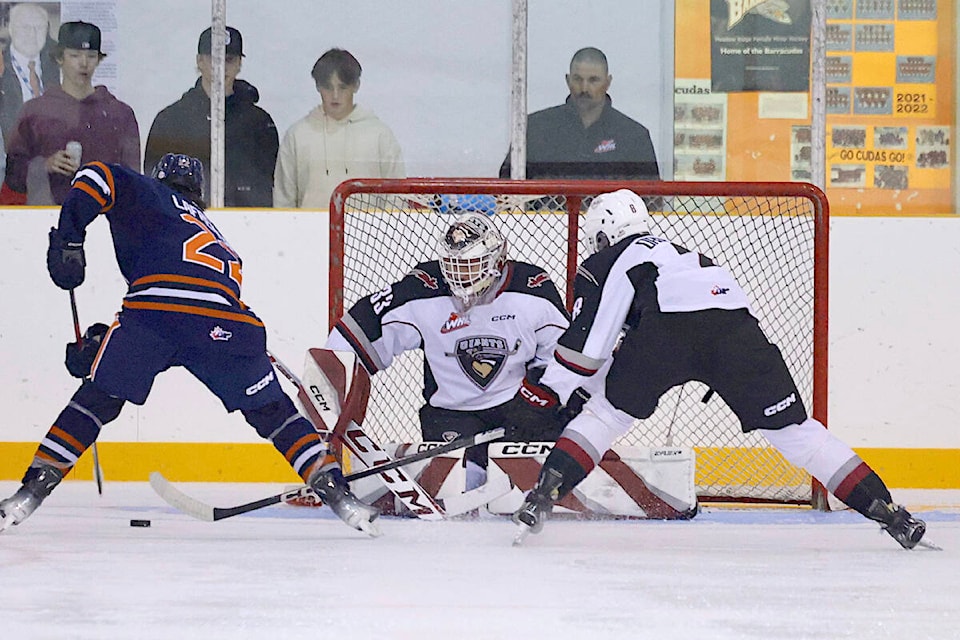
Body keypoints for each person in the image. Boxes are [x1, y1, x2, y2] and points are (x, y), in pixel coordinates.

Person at [511, 189, 928, 550]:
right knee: (797, 433)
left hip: (667, 334)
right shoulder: (691, 257)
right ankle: (891, 514)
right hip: (735, 333)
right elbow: (707, 313)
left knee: (605, 415)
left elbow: (585, 353)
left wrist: (548, 391)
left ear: (603, 234)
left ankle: (542, 497)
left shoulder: (607, 261)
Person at [0, 153, 379, 537]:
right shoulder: (217, 235)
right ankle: (336, 491)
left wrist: (69, 238)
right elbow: (195, 305)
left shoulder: (149, 192)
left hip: (155, 312)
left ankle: (31, 490)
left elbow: (95, 176)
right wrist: (106, 347)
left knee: (96, 401)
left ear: (159, 178)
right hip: (229, 324)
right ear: (199, 194)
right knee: (274, 414)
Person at [325, 211, 570, 490]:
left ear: (497, 260)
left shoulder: (532, 288)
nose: (458, 273)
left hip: (517, 409)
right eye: (452, 263)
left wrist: (536, 399)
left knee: (537, 485)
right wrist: (331, 384)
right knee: (459, 486)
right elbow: (354, 337)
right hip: (450, 413)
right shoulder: (423, 288)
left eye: (469, 264)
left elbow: (561, 356)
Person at [0, 20, 140, 205]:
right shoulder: (35, 112)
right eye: (75, 55)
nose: (83, 63)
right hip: (45, 219)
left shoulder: (120, 114)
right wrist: (44, 165)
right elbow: (13, 176)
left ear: (98, 59)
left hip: (104, 219)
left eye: (91, 56)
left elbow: (134, 179)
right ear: (60, 58)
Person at [144, 26, 278, 208]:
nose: (221, 67)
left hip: (246, 227)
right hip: (187, 225)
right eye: (214, 58)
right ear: (199, 61)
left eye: (229, 59)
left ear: (239, 63)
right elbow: (153, 184)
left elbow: (267, 187)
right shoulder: (170, 120)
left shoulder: (260, 123)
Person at [499, 47, 660, 182]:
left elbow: (651, 200)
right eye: (578, 79)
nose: (584, 88)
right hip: (546, 220)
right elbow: (505, 190)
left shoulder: (633, 136)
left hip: (614, 221)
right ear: (568, 80)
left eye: (593, 80)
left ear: (608, 82)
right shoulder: (535, 128)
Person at [273, 48, 404, 210]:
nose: (335, 96)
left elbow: (397, 197)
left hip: (366, 233)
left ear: (356, 86)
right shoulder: (297, 135)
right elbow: (283, 199)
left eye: (342, 87)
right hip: (308, 232)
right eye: (328, 87)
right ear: (318, 87)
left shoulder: (380, 135)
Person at [0, 3, 59, 146]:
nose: (32, 34)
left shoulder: (57, 65)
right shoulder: (2, 68)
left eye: (39, 28)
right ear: (12, 30)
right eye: (25, 28)